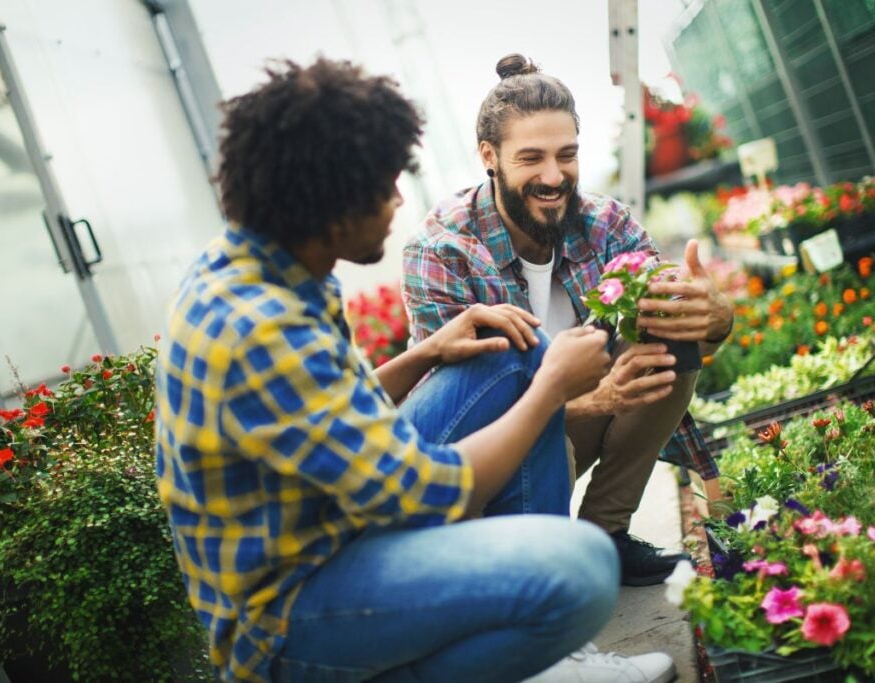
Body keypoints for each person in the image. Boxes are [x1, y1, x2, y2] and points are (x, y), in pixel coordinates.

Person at [156, 57, 678, 683]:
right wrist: (550, 389)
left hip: (330, 537)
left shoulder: (257, 271)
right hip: (287, 619)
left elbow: (333, 412)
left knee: (506, 342)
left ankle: (556, 661)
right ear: (334, 199)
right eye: (386, 184)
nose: (399, 199)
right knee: (582, 569)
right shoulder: (262, 329)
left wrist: (427, 352)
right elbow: (424, 495)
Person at [402, 53, 733, 587]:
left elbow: (681, 311)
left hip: (578, 414)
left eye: (567, 155)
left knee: (671, 337)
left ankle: (606, 536)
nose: (554, 177)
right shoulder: (442, 252)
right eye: (531, 158)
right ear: (489, 156)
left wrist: (715, 315)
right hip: (502, 449)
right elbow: (462, 418)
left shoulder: (604, 223)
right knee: (535, 421)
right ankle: (540, 566)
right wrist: (597, 399)